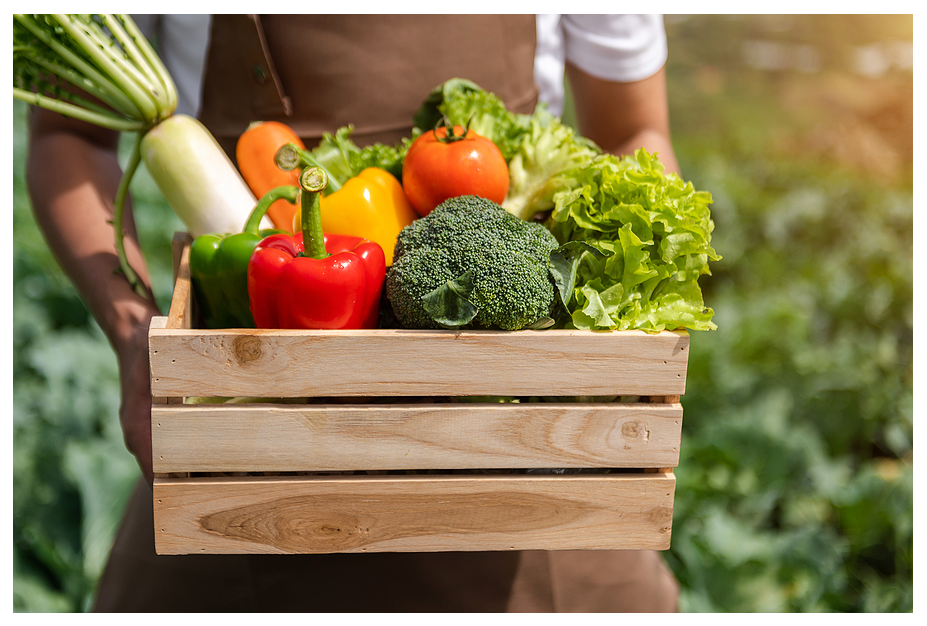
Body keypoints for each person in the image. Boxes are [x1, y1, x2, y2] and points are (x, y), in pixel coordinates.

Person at [26, 14, 681, 612]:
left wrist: (635, 331)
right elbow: (68, 134)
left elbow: (631, 128)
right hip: (250, 435)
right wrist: (134, 329)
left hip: (529, 450)